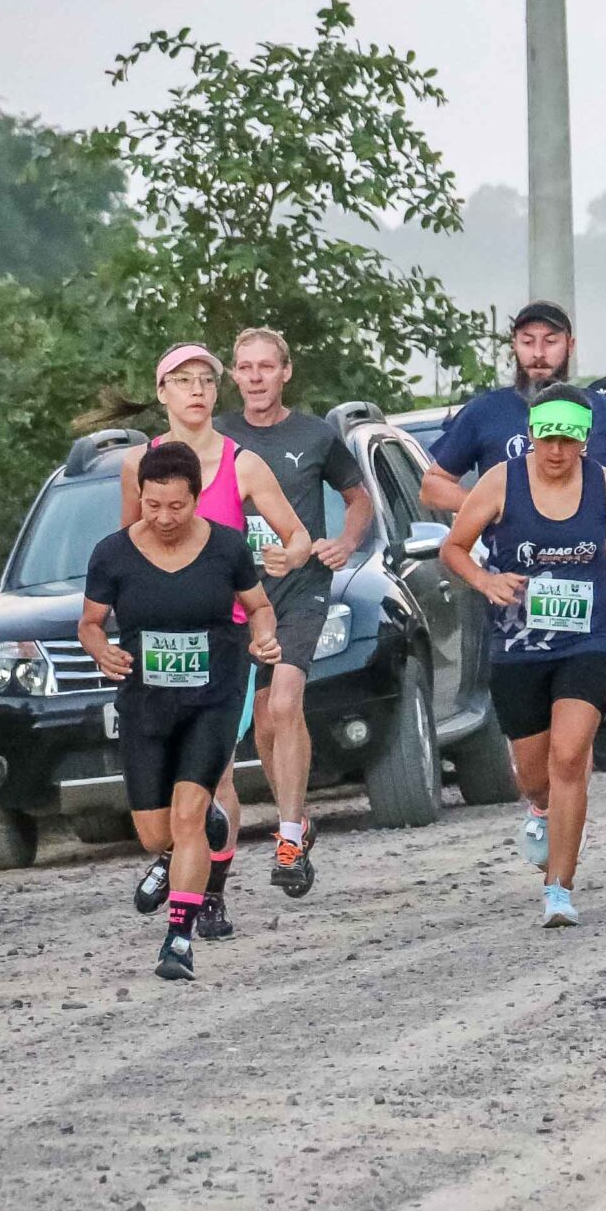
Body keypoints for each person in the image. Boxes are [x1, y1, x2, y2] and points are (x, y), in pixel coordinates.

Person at [441, 385, 606, 926]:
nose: (556, 451)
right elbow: (454, 547)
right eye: (546, 438)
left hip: (590, 639)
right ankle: (540, 809)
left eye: (567, 439)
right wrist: (485, 579)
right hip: (518, 646)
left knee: (570, 758)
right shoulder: (502, 482)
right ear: (531, 436)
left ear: (584, 440)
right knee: (534, 775)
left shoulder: (605, 485)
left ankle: (559, 888)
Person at [116, 343, 312, 940]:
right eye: (183, 380)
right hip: (155, 640)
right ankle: (171, 858)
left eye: (206, 379)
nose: (197, 390)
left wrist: (287, 554)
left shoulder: (242, 464)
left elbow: (298, 533)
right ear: (162, 393)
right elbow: (124, 549)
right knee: (167, 782)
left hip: (221, 635)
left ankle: (210, 898)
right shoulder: (136, 466)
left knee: (216, 776)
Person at [81, 440, 281, 981]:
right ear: (139, 497)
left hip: (213, 694)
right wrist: (101, 649)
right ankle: (186, 844)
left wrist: (264, 639)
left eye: (177, 505)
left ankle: (179, 939)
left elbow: (258, 607)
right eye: (153, 505)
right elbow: (91, 622)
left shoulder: (227, 548)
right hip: (147, 701)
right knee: (154, 834)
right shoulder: (112, 554)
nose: (165, 517)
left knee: (188, 817)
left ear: (197, 499)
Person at [215, 327, 374, 897]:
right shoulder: (217, 437)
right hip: (240, 594)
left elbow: (359, 497)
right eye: (244, 368)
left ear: (285, 372)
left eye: (265, 367)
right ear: (234, 376)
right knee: (264, 721)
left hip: (301, 587)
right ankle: (299, 820)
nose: (255, 378)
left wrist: (346, 543)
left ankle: (286, 836)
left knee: (285, 701)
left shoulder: (314, 434)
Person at [417, 300, 606, 512]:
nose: (538, 353)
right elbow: (432, 486)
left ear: (570, 346)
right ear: (514, 346)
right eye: (528, 342)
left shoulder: (604, 411)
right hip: (511, 558)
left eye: (550, 342)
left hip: (591, 557)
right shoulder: (484, 412)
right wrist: (491, 509)